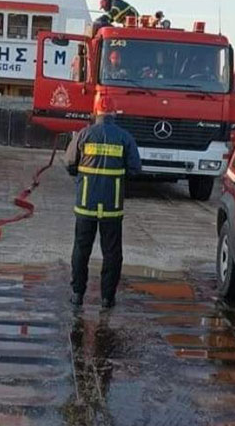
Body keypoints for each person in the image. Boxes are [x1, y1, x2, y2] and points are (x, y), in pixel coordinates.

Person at [64, 96, 141, 309]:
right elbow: (135, 169)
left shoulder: (84, 135)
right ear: (115, 113)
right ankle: (107, 298)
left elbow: (70, 164)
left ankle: (78, 294)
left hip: (86, 204)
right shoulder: (125, 138)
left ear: (95, 112)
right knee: (112, 253)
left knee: (81, 249)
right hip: (112, 206)